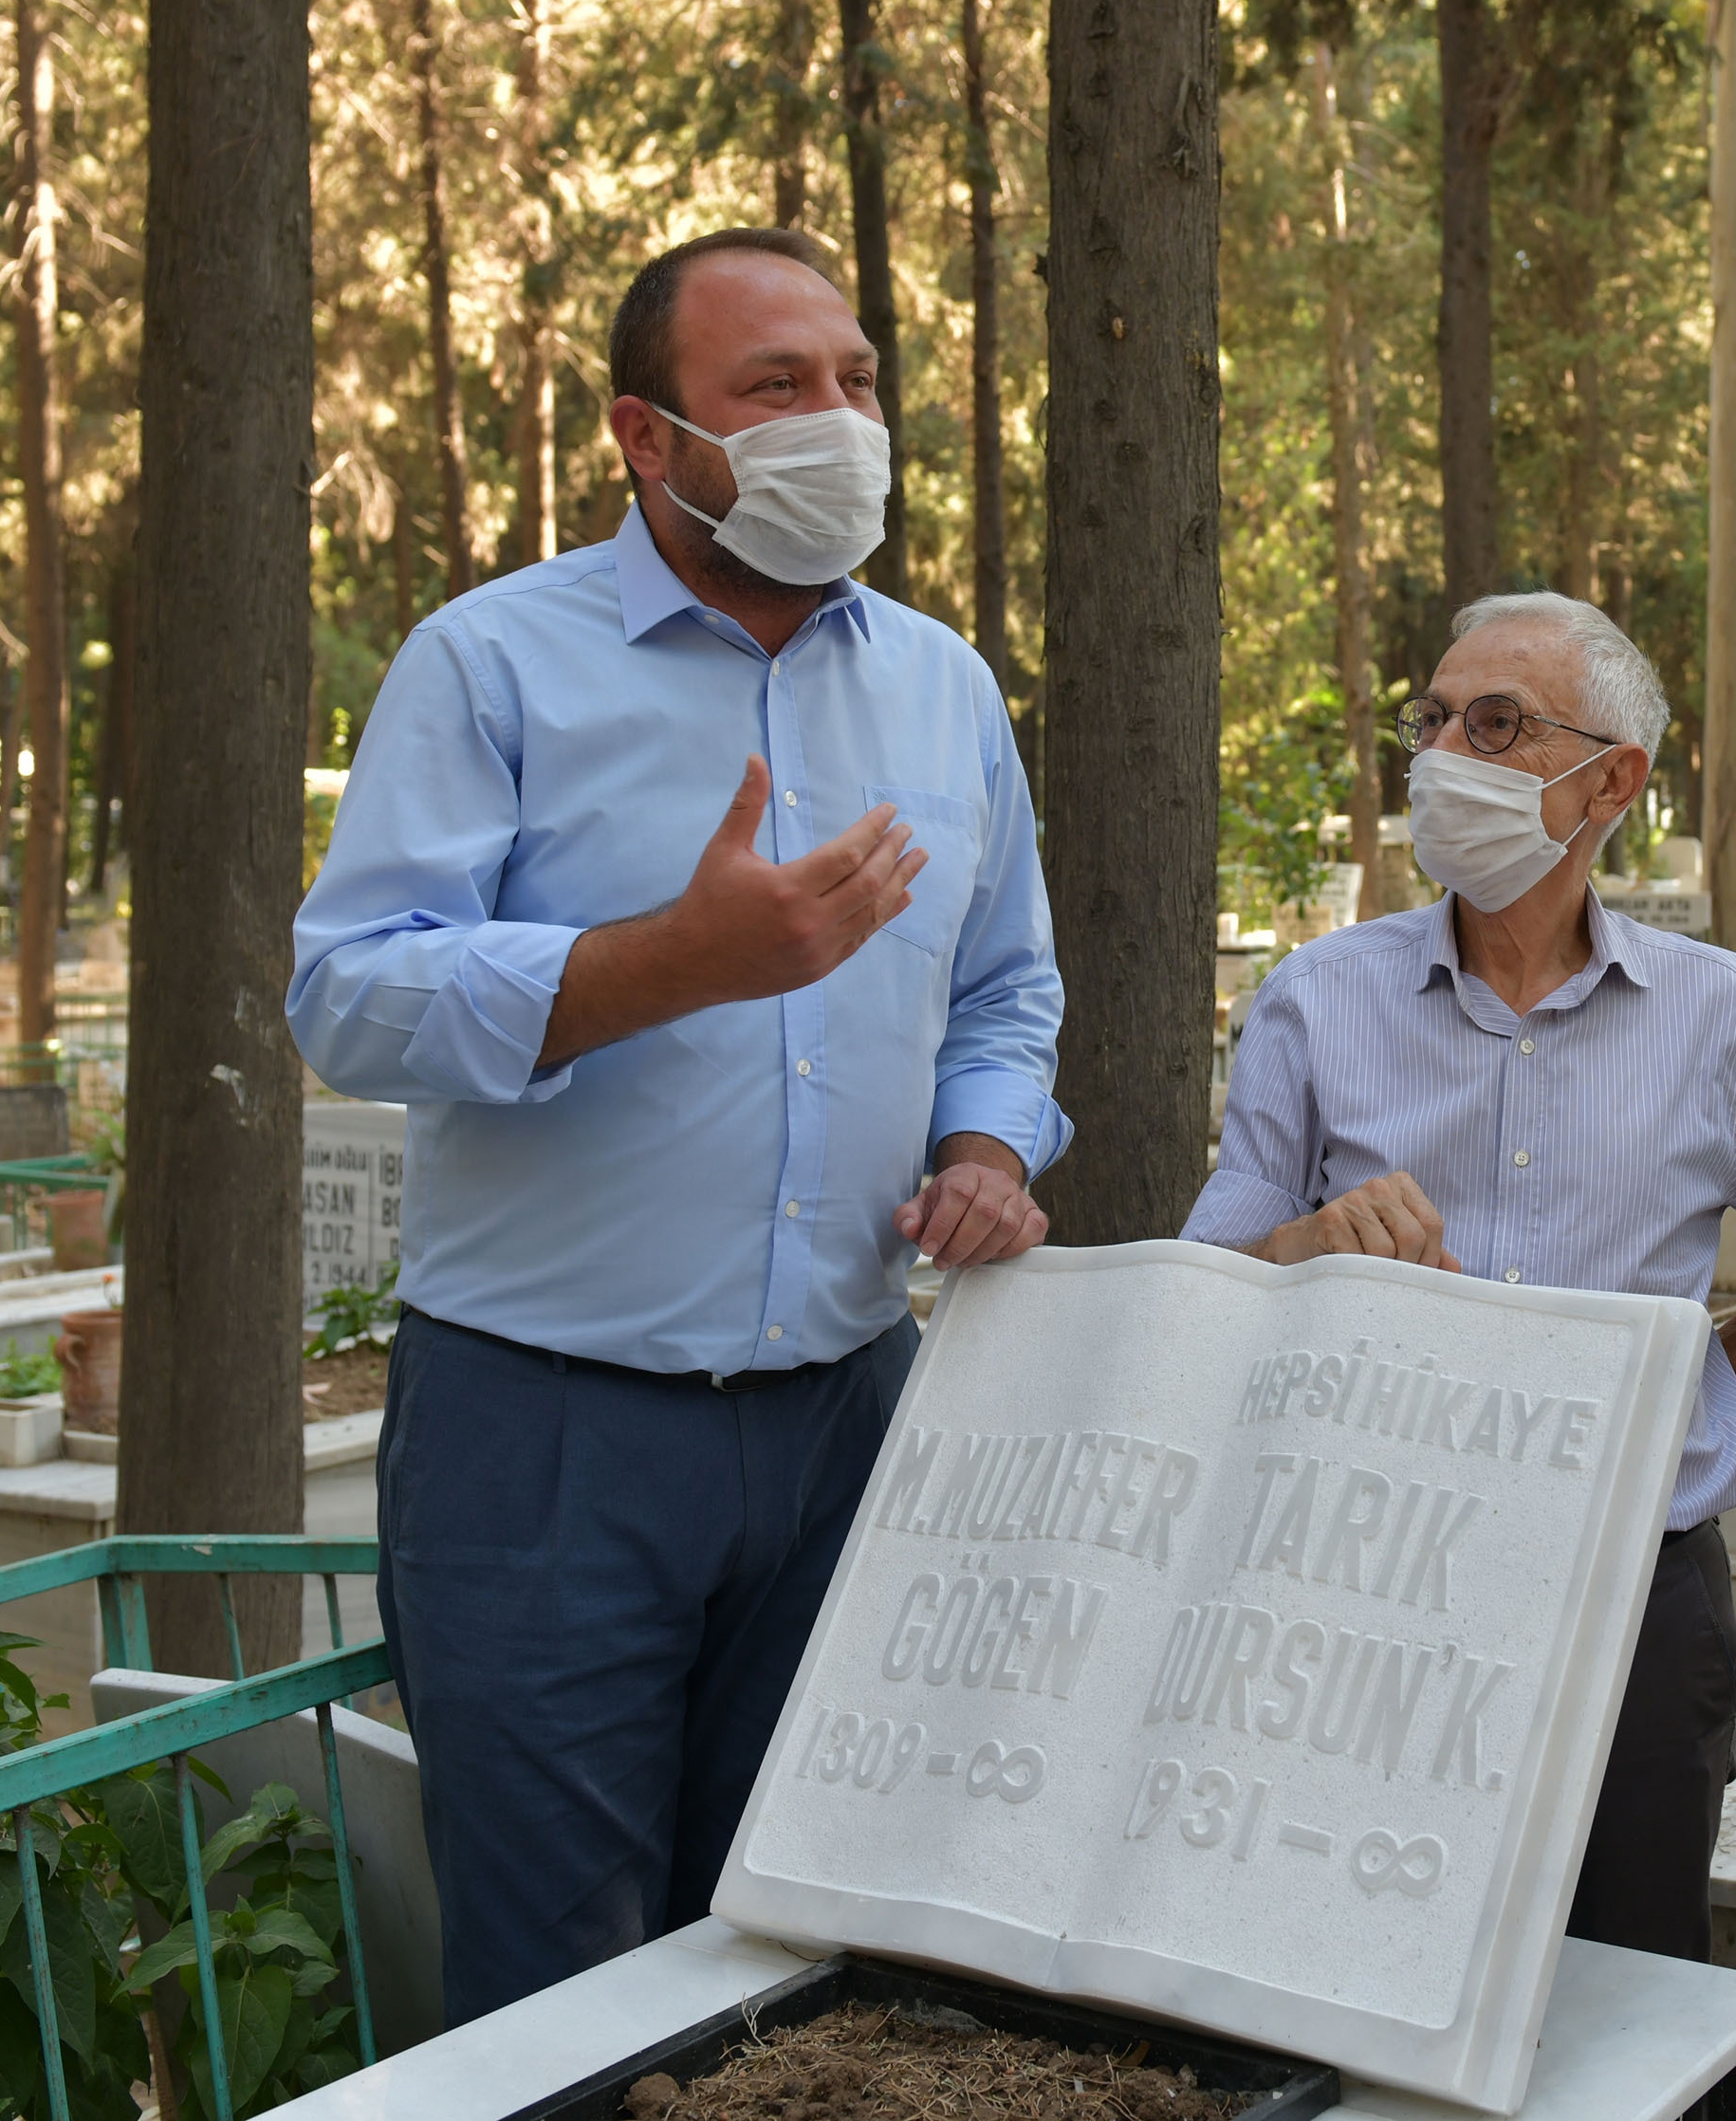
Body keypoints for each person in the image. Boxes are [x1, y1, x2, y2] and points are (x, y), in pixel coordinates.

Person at [288, 228, 1064, 2023]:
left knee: (796, 1951)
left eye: (857, 382)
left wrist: (987, 1151)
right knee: (560, 1980)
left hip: (847, 1423)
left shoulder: (944, 687)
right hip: (548, 1435)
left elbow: (1006, 994)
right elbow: (349, 997)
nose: (839, 423)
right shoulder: (494, 664)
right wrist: (667, 965)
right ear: (652, 439)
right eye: (775, 389)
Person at [1181, 591, 1736, 1961]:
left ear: (1615, 782)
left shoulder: (1723, 1017)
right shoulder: (1316, 998)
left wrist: (1690, 1377)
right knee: (1357, 1958)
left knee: (1636, 1978)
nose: (1442, 757)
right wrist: (1306, 1247)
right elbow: (1207, 1283)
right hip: (1367, 1584)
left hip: (1632, 1594)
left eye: (1497, 724)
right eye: (1431, 721)